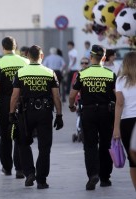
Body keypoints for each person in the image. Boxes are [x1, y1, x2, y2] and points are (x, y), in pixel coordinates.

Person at [9, 45, 63, 189]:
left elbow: (14, 96)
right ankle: (41, 180)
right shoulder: (50, 72)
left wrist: (11, 113)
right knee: (45, 147)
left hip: (26, 113)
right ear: (42, 56)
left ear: (28, 56)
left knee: (23, 144)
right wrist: (59, 115)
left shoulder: (20, 73)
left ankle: (29, 173)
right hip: (45, 113)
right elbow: (56, 96)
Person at [69, 45, 116, 191]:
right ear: (103, 57)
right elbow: (117, 94)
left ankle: (92, 174)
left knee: (89, 145)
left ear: (91, 57)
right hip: (106, 112)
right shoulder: (110, 74)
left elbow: (72, 95)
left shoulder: (82, 74)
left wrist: (71, 106)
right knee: (105, 144)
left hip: (88, 112)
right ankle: (105, 178)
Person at [0, 36, 29, 178]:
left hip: (5, 102)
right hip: (22, 102)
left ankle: (7, 168)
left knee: (5, 137)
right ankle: (20, 168)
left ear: (3, 47)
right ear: (15, 46)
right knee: (20, 135)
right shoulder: (26, 61)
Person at [113, 51, 136, 189]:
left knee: (133, 162)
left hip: (127, 122)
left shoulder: (121, 80)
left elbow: (119, 104)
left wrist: (116, 127)